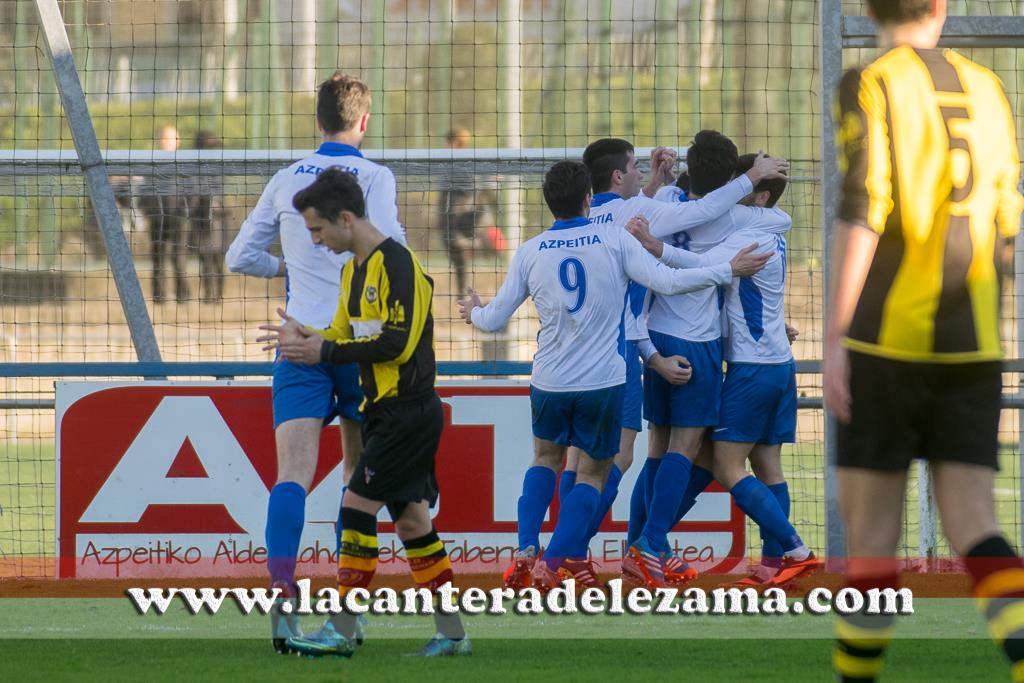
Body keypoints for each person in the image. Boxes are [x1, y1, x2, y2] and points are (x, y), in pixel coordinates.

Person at [823, 1, 1024, 680]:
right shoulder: (989, 89)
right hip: (972, 344)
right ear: (940, 6)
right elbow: (1005, 227)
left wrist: (835, 338)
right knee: (975, 525)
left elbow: (864, 207)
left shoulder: (871, 81)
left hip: (886, 340)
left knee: (873, 549)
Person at [459, 160, 771, 591]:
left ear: (550, 204)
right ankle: (553, 564)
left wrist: (472, 309)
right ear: (588, 198)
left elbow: (493, 319)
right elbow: (669, 281)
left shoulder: (530, 251)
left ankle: (526, 550)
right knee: (592, 475)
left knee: (545, 460)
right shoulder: (613, 240)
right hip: (601, 384)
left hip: (548, 380)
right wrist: (726, 270)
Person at [554, 139, 788, 588]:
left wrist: (662, 184)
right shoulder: (729, 216)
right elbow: (772, 218)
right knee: (681, 451)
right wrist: (754, 180)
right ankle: (649, 546)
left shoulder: (661, 203)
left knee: (648, 452)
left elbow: (671, 209)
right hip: (696, 342)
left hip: (649, 337)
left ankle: (624, 550)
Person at [225, 71, 406, 653]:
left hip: (298, 341)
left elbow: (239, 255)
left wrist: (288, 269)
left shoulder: (286, 179)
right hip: (358, 345)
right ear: (364, 121)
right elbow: (393, 250)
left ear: (318, 120)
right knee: (357, 480)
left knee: (292, 478)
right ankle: (349, 608)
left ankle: (282, 598)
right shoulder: (375, 176)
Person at [259, 169, 468, 658]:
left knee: (355, 508)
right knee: (414, 523)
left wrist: (325, 354)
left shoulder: (400, 265)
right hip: (383, 413)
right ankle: (454, 634)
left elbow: (398, 343)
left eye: (318, 230)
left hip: (409, 413)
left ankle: (340, 626)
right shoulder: (353, 271)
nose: (314, 241)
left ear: (346, 218)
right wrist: (306, 338)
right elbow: (341, 331)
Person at [627, 131, 818, 589]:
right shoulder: (760, 224)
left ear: (759, 196)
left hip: (746, 367)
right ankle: (775, 566)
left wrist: (655, 246)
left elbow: (703, 265)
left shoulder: (744, 233)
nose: (732, 190)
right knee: (763, 465)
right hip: (773, 362)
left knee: (717, 463)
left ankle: (793, 551)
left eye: (744, 184)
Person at [138, 125, 189, 302]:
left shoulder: (185, 164)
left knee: (179, 258)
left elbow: (193, 190)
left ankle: (183, 297)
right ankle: (159, 297)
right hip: (157, 219)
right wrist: (146, 212)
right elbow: (143, 191)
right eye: (164, 138)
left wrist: (186, 211)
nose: (167, 142)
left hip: (178, 218)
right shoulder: (152, 163)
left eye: (171, 138)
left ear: (178, 141)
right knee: (158, 259)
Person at [188, 130, 227, 302]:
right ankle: (210, 295)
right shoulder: (196, 168)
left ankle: (216, 295)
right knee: (206, 259)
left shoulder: (217, 167)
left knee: (216, 259)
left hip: (216, 217)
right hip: (202, 218)